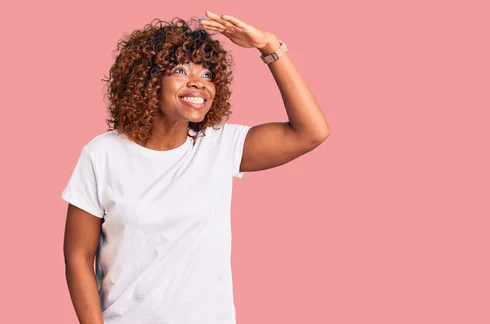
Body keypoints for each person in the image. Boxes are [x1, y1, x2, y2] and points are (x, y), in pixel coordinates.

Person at [62, 10, 329, 324]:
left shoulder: (218, 146)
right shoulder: (102, 154)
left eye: (207, 74)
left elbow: (311, 132)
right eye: (180, 69)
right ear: (148, 80)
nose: (199, 83)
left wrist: (270, 47)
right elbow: (78, 256)